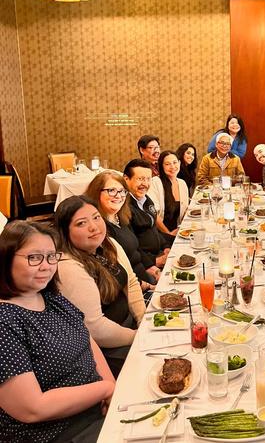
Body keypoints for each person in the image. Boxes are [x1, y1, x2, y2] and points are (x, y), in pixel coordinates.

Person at [0, 221, 115, 442]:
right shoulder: (5, 321)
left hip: (95, 408)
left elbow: (87, 340)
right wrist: (104, 389)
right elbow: (33, 408)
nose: (46, 266)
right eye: (34, 257)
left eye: (51, 257)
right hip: (58, 432)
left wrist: (112, 388)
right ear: (6, 258)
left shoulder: (50, 297)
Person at [55, 196, 145, 377]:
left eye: (96, 217)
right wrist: (137, 336)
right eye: (81, 223)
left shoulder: (108, 244)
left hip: (131, 327)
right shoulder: (68, 267)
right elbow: (96, 329)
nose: (94, 227)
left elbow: (132, 283)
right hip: (107, 350)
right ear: (65, 232)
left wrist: (144, 320)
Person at [85, 171, 161, 287]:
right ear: (96, 192)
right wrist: (147, 286)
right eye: (111, 190)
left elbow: (136, 250)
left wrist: (154, 270)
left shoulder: (121, 217)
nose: (118, 196)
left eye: (122, 191)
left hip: (144, 277)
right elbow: (113, 271)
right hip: (130, 287)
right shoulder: (99, 228)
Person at [123, 159, 172, 261]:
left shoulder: (146, 199)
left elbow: (153, 229)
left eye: (148, 179)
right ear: (126, 179)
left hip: (159, 252)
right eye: (140, 179)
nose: (145, 184)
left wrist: (166, 246)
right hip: (148, 261)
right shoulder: (124, 208)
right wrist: (155, 261)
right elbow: (131, 248)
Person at [148, 151, 189, 237]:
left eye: (175, 162)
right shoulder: (155, 182)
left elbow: (184, 210)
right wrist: (168, 234)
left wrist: (181, 229)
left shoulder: (182, 183)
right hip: (160, 234)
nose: (172, 167)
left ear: (179, 163)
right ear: (161, 166)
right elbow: (153, 214)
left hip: (178, 231)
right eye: (167, 164)